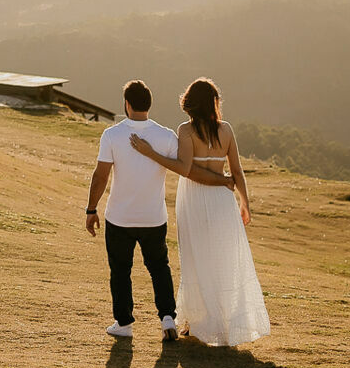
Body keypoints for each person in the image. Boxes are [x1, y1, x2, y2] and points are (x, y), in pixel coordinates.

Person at [86, 80, 237, 342]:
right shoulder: (167, 135)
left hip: (119, 217)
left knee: (120, 270)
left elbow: (100, 176)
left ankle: (124, 324)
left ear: (127, 104)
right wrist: (222, 179)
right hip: (154, 218)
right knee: (159, 268)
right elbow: (186, 167)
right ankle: (168, 318)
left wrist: (91, 209)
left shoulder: (112, 135)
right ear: (149, 105)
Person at [130, 77, 271, 347]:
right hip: (221, 200)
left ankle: (198, 321)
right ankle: (222, 322)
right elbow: (237, 171)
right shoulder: (226, 130)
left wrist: (150, 153)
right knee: (220, 258)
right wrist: (244, 202)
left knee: (196, 257)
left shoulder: (186, 131)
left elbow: (185, 169)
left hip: (193, 197)